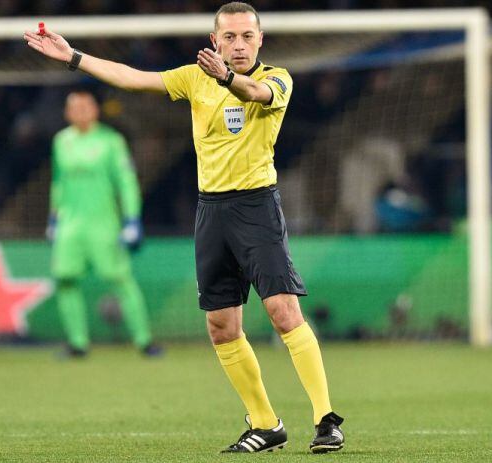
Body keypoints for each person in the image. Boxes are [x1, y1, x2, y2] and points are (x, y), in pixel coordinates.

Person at [25, 2, 344, 453]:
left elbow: (256, 94)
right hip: (211, 211)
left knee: (283, 312)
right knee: (220, 325)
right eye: (229, 36)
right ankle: (265, 423)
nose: (238, 44)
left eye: (246, 36)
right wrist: (73, 56)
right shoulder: (195, 78)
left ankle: (326, 419)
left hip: (257, 207)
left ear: (260, 40)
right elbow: (134, 78)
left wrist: (226, 78)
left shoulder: (277, 78)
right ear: (215, 40)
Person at [48, 90, 162, 358]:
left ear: (95, 110)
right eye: (74, 107)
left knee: (121, 280)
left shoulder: (111, 142)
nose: (80, 111)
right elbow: (58, 182)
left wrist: (131, 219)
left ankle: (144, 341)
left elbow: (126, 182)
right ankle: (77, 344)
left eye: (86, 106)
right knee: (64, 280)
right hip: (70, 226)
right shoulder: (61, 141)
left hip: (104, 225)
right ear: (67, 113)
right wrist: (53, 218)